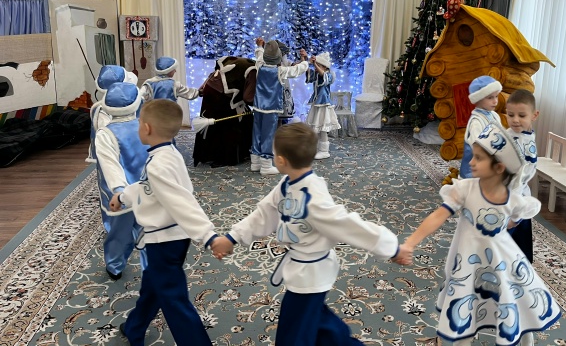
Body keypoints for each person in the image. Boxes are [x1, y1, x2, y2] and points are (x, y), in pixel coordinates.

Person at [212, 122, 410, 346]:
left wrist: (391, 248)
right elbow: (264, 213)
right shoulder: (287, 184)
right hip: (300, 269)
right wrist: (232, 237)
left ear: (280, 161)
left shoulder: (313, 198)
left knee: (294, 331)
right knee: (318, 323)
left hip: (311, 273)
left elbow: (348, 225)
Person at [400, 122, 561, 346]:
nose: (471, 162)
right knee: (466, 306)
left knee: (516, 302)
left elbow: (518, 217)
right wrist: (410, 242)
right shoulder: (465, 189)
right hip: (469, 263)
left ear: (499, 167)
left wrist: (507, 224)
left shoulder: (513, 198)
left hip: (502, 262)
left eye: (478, 158)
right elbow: (438, 216)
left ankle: (525, 340)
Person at [109, 99, 218, 346]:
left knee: (173, 299)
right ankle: (135, 326)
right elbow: (147, 188)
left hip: (164, 240)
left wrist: (208, 235)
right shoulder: (168, 154)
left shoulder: (159, 165)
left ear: (147, 128)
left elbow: (182, 202)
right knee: (153, 286)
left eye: (139, 123)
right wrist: (123, 197)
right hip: (172, 237)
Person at [95, 82, 148, 280]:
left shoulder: (106, 133)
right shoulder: (147, 125)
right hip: (147, 190)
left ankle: (115, 265)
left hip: (123, 195)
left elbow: (110, 164)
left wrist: (119, 190)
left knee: (120, 232)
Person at [250, 38, 308, 175]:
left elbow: (259, 56)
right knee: (268, 135)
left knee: (257, 132)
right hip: (271, 108)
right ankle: (265, 165)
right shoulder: (280, 71)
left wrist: (260, 46)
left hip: (258, 107)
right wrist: (305, 61)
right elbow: (297, 70)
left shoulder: (260, 66)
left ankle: (255, 162)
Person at [505, 89, 540, 264]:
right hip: (508, 196)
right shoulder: (514, 133)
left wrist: (515, 216)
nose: (515, 120)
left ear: (534, 115)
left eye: (521, 115)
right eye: (510, 115)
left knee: (507, 248)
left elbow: (519, 181)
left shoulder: (525, 146)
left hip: (514, 202)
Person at [459, 75, 502, 178]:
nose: (495, 101)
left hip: (489, 162)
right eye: (490, 97)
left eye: (496, 96)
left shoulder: (495, 116)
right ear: (478, 99)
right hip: (474, 170)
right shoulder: (476, 121)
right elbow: (478, 147)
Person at [304, 51, 341, 159]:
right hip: (317, 103)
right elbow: (309, 74)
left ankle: (324, 150)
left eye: (319, 66)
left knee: (323, 127)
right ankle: (316, 148)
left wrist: (315, 63)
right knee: (316, 127)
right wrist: (305, 60)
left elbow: (324, 76)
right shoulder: (317, 75)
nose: (316, 68)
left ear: (325, 67)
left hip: (324, 104)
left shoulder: (328, 75)